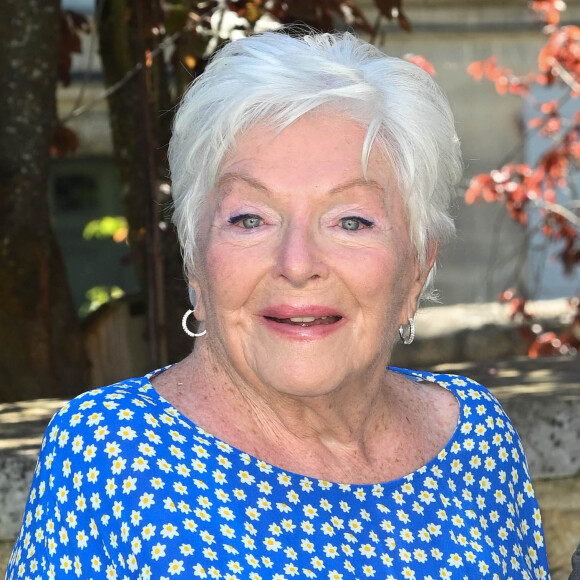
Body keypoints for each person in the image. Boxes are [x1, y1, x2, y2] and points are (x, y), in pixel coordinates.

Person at [7, 30, 550, 579]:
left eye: (351, 220)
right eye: (250, 219)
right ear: (195, 258)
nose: (296, 262)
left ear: (416, 268)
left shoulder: (475, 436)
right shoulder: (109, 455)